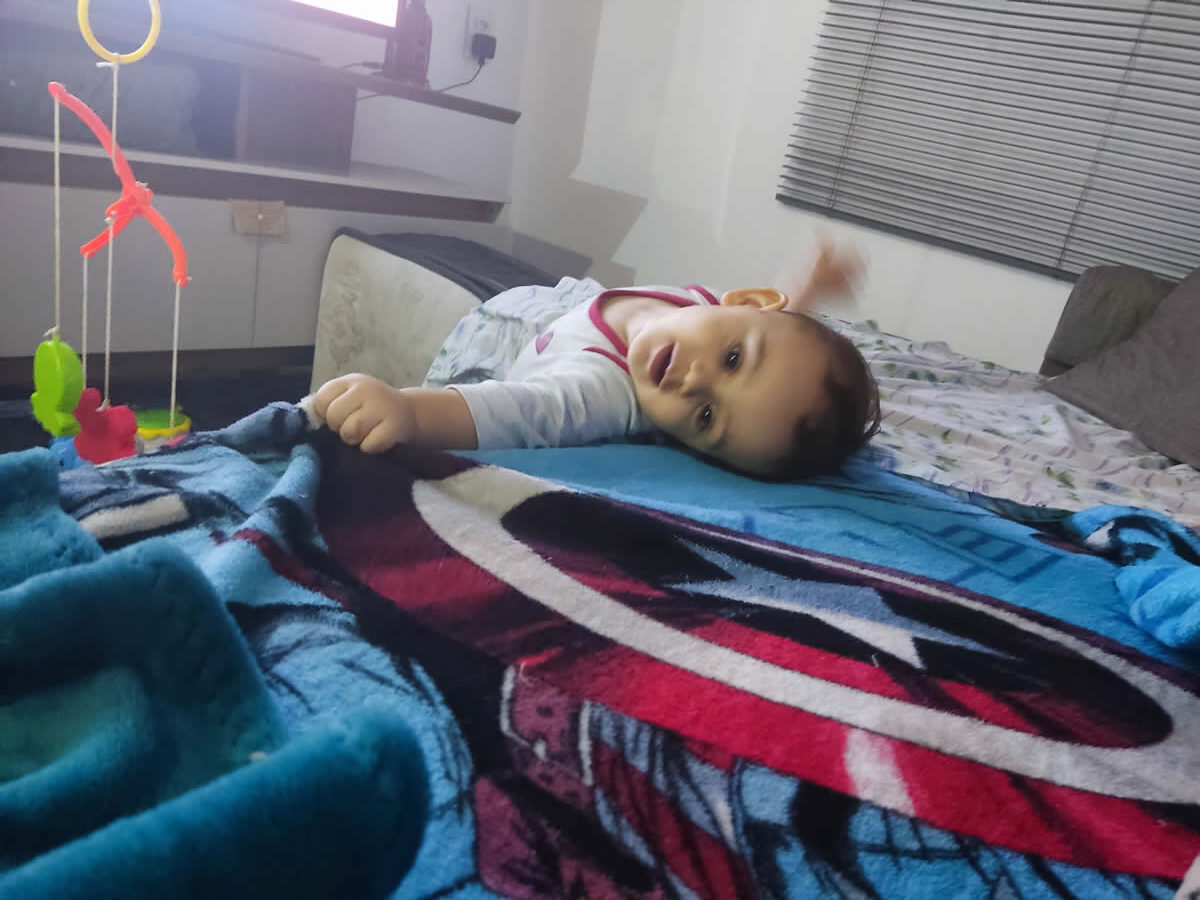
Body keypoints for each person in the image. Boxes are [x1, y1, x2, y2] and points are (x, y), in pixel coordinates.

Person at [311, 242, 880, 480]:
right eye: (732, 359)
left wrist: (407, 411)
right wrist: (809, 288)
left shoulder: (601, 393)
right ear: (749, 302)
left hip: (519, 354)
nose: (694, 381)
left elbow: (516, 413)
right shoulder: (709, 306)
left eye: (706, 417)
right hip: (567, 308)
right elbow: (780, 337)